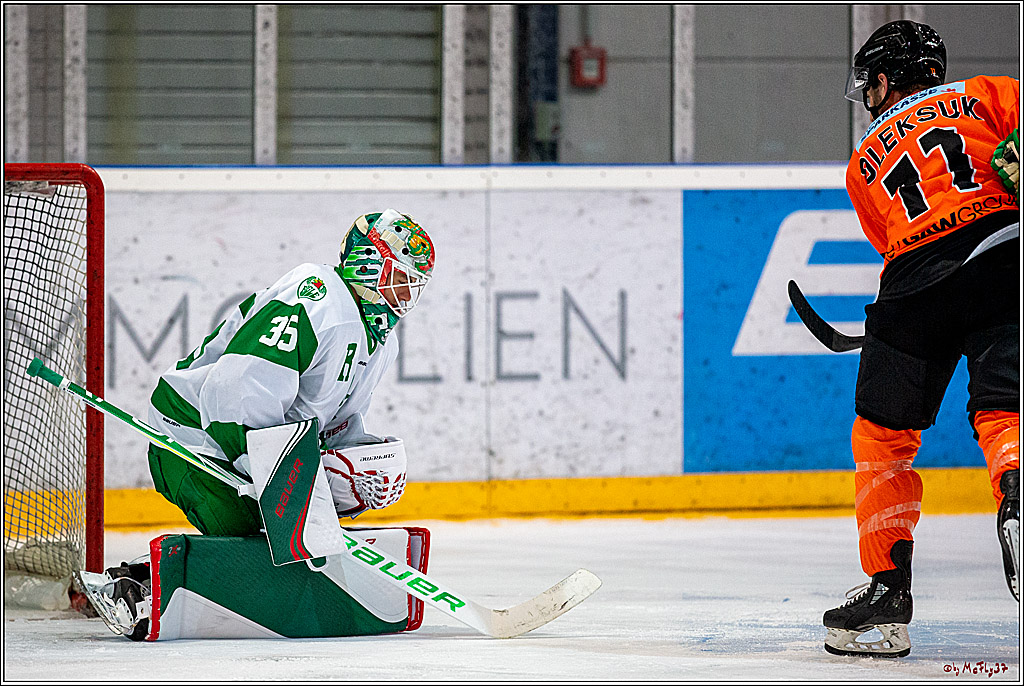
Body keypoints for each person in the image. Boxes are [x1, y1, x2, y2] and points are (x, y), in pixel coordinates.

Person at [89, 209, 436, 639]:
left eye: (413, 286)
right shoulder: (319, 297)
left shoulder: (381, 340)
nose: (405, 294)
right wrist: (268, 475)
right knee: (256, 532)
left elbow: (335, 422)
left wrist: (358, 465)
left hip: (259, 447)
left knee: (293, 537)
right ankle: (134, 584)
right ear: (368, 262)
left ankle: (156, 578)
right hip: (194, 435)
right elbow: (237, 390)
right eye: (400, 277)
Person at [822, 20, 1020, 658]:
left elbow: (896, 246)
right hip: (1003, 258)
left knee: (883, 439)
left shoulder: (861, 163)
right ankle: (1016, 498)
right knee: (1004, 407)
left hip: (913, 289)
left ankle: (887, 594)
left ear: (881, 80)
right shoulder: (991, 95)